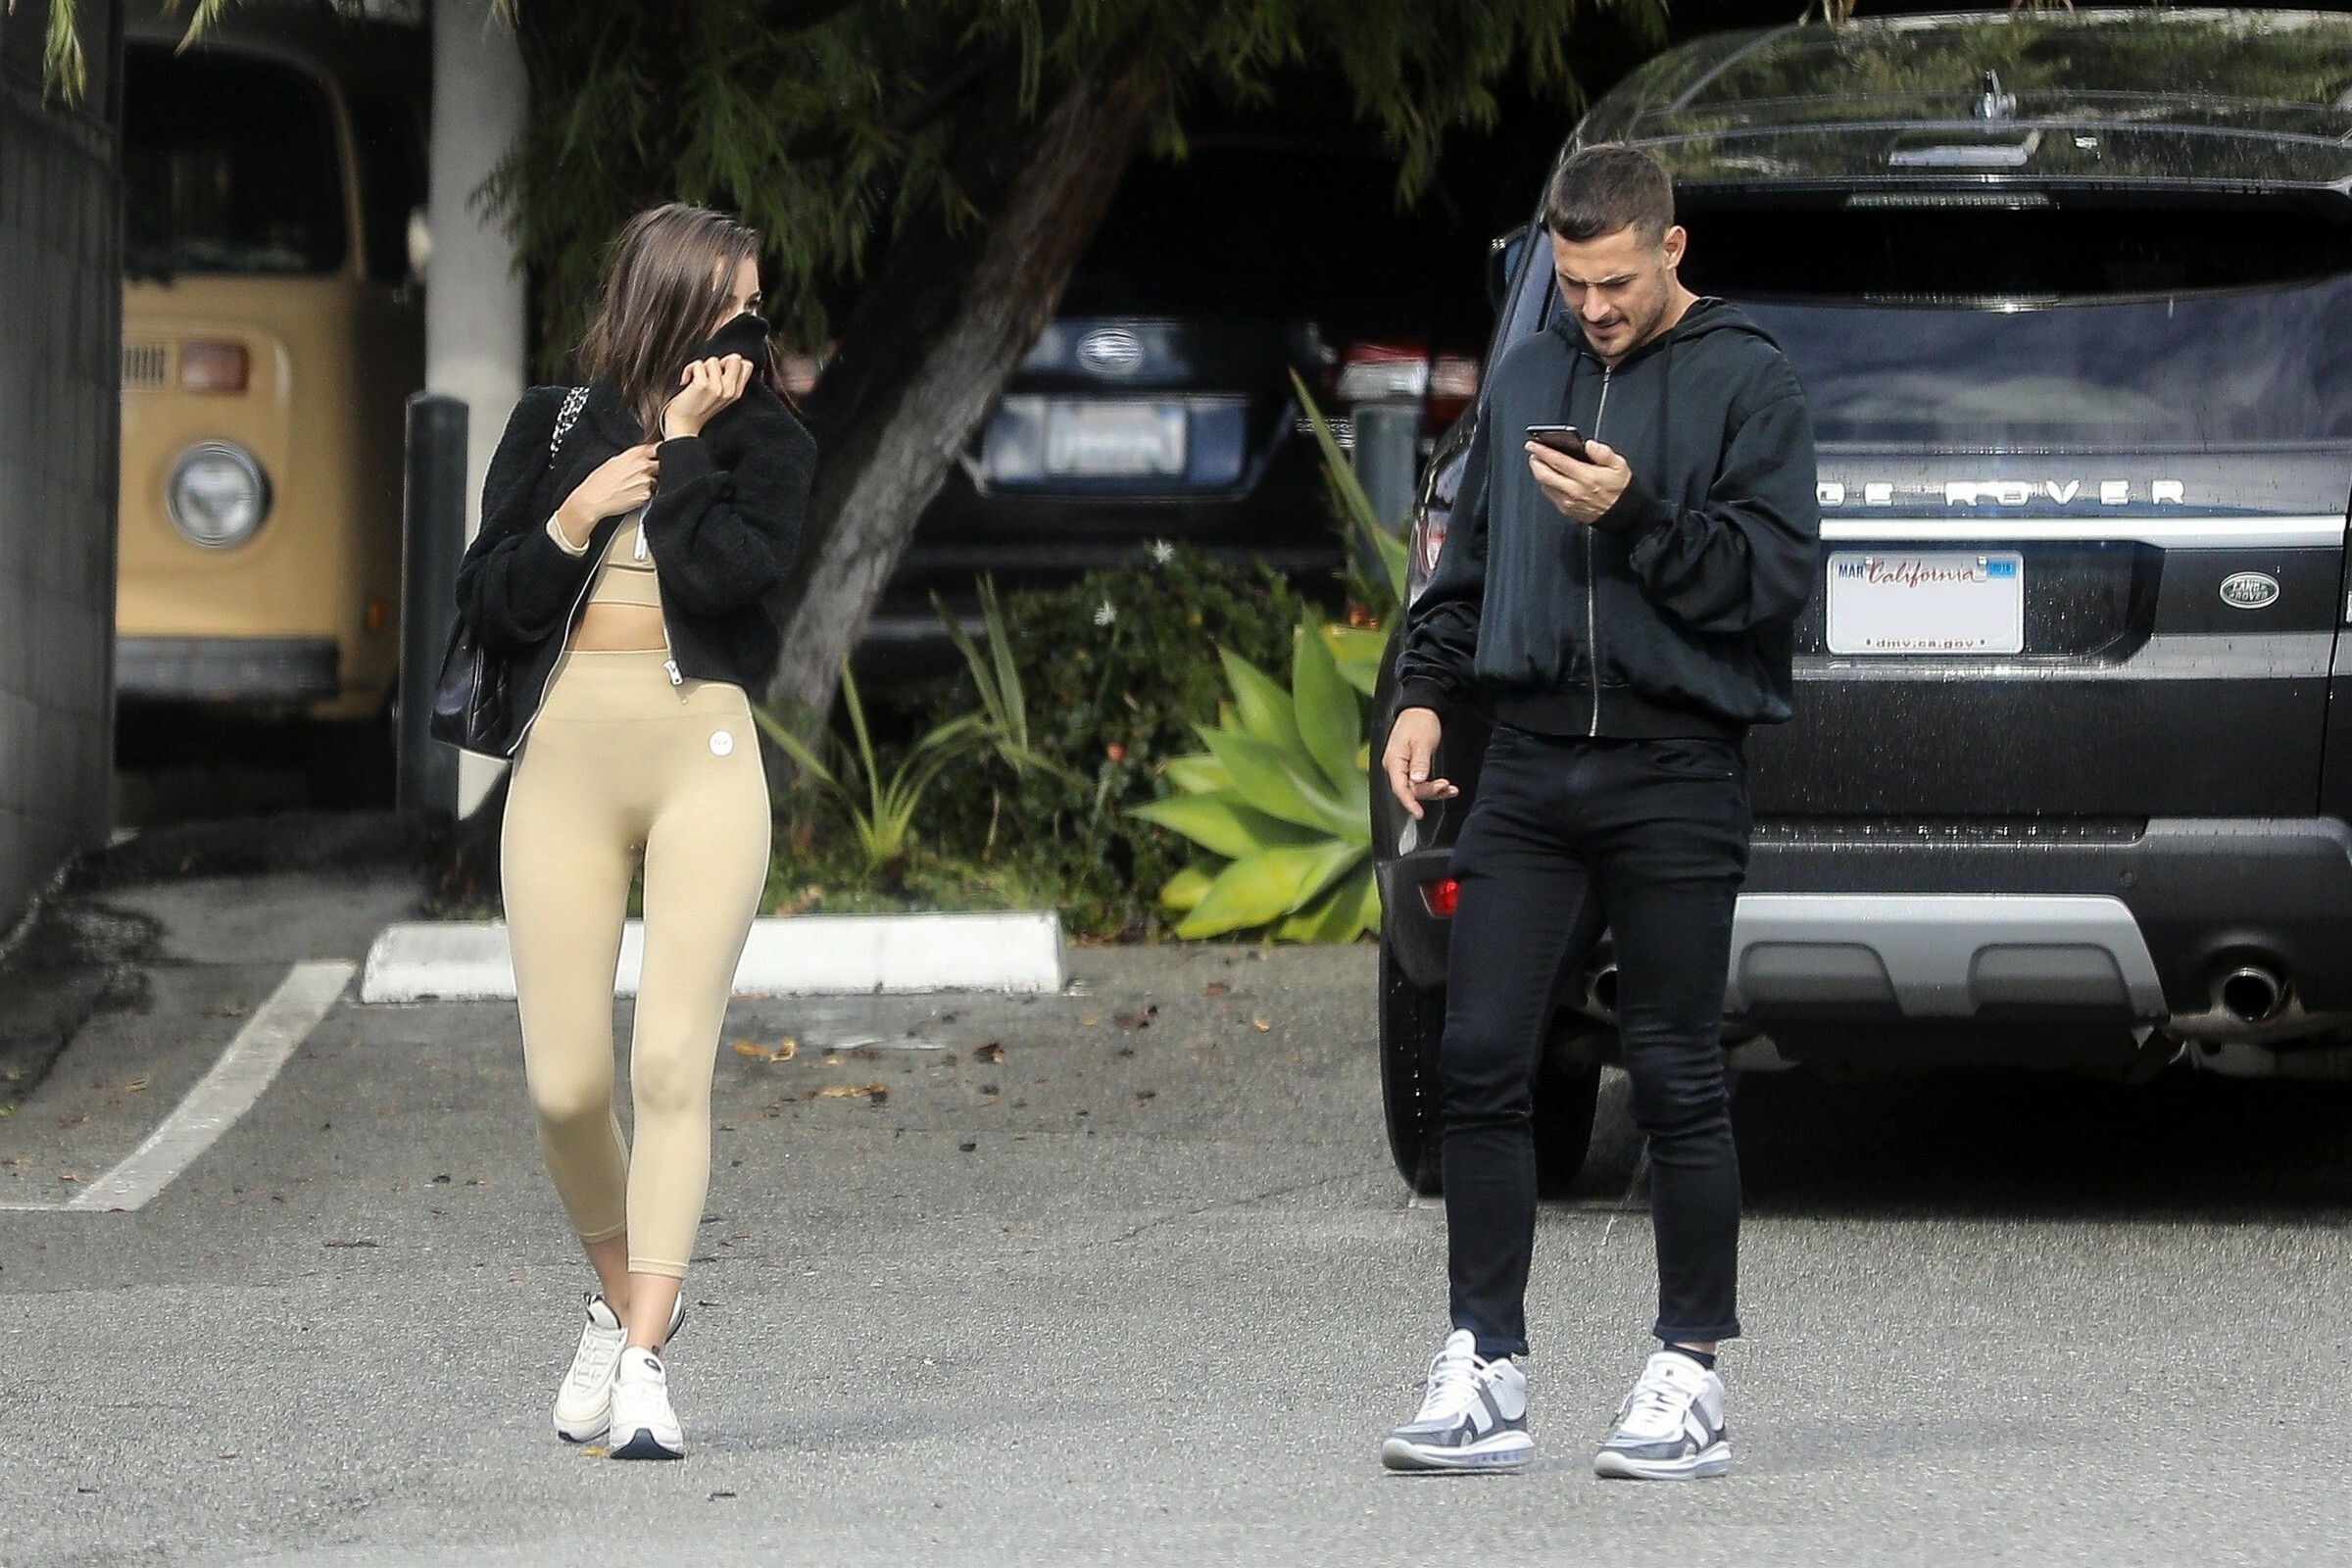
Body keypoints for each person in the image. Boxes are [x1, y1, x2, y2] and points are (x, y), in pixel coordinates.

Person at [1377, 144, 1818, 1480]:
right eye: (1573, 284)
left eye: (1616, 282)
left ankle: (1690, 1372)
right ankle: (1486, 1366)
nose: (1596, 309)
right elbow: (1467, 568)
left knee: (1675, 1068)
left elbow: (1769, 580)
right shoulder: (1529, 372)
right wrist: (1423, 697)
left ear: (1670, 248)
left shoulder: (1748, 377)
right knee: (1478, 1059)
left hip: (1675, 763)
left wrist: (1635, 514)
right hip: (1527, 764)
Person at [455, 203, 815, 1460]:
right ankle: (620, 1301)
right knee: (566, 1089)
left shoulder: (770, 441)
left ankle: (646, 1364)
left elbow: (726, 577)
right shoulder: (556, 425)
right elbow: (489, 605)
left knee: (669, 1067)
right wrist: (573, 518)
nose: (749, 329)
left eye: (757, 307)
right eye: (730, 305)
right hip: (565, 766)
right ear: (666, 300)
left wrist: (688, 446)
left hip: (702, 758)